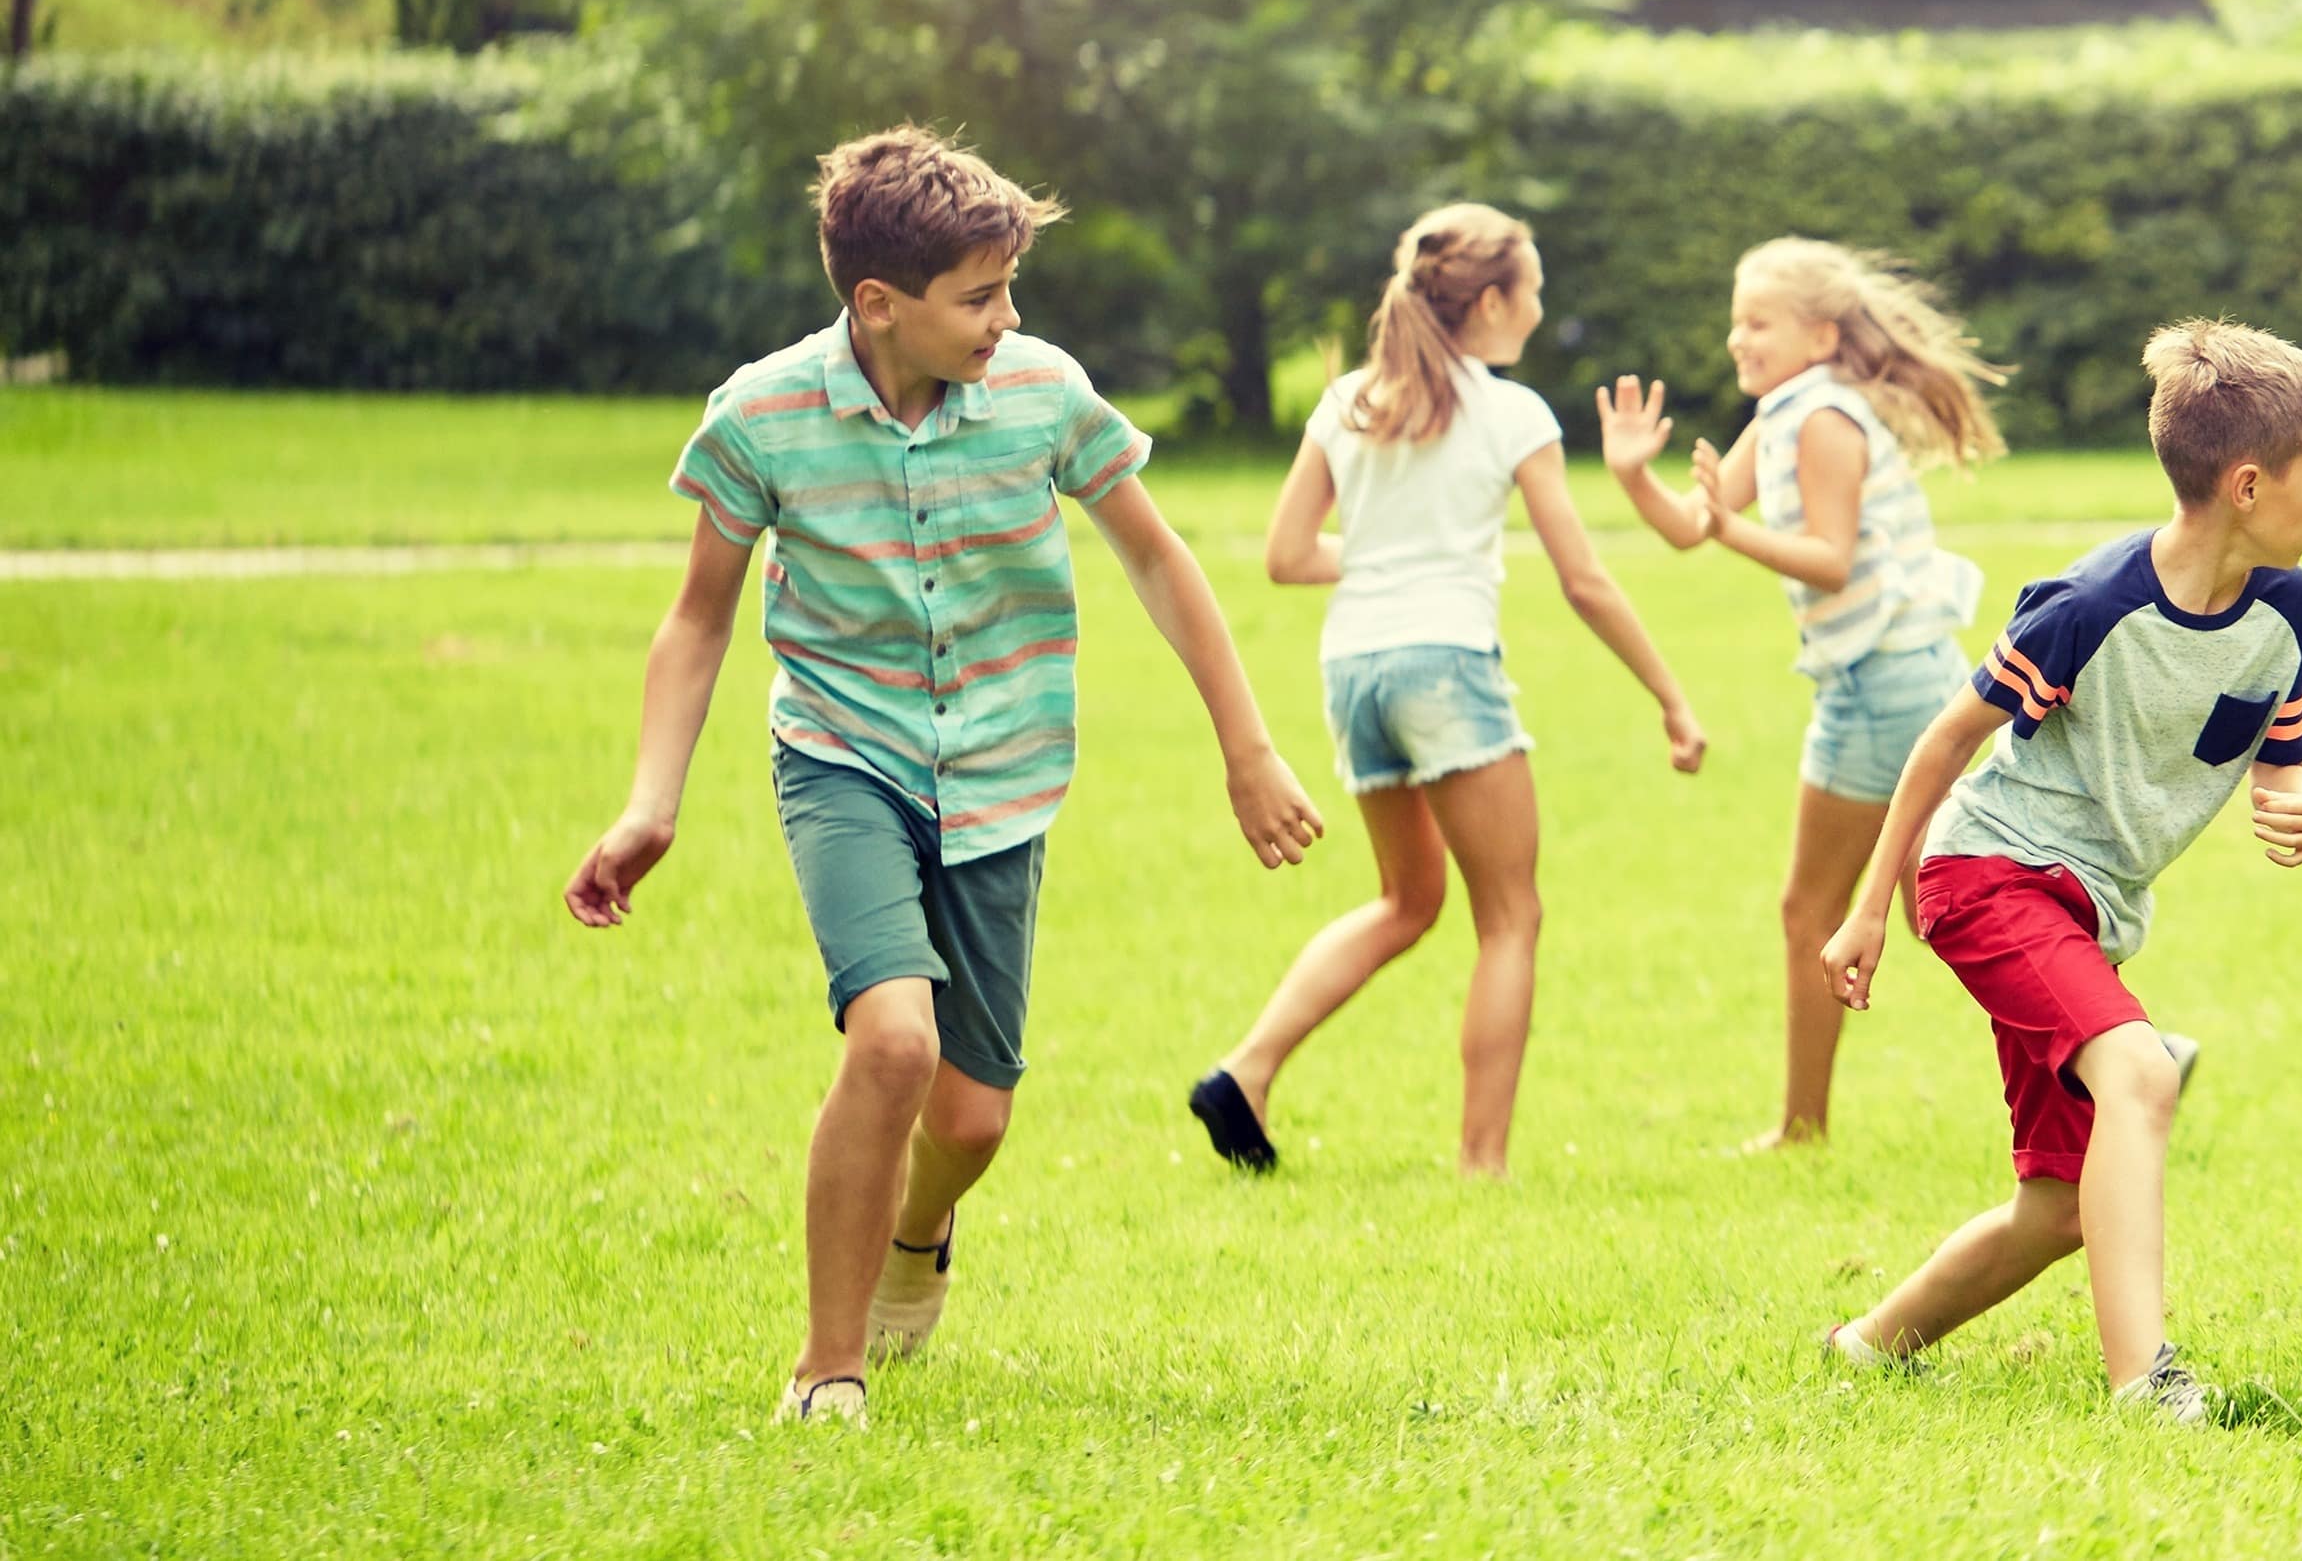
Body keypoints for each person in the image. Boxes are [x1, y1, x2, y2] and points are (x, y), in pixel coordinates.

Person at [561, 127, 1327, 1427]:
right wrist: (652, 797)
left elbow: (1156, 556)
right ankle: (827, 1361)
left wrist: (1246, 744)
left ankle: (921, 1234)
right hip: (843, 758)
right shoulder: (763, 414)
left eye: (1009, 289)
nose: (1006, 318)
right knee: (895, 1041)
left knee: (972, 1119)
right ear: (879, 302)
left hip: (1006, 769)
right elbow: (698, 617)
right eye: (978, 296)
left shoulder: (1039, 390)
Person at [1815, 321, 2302, 1424]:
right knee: (2140, 1076)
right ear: (2248, 483)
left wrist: (2291, 799)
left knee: (2059, 1203)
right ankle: (2144, 1384)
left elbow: (2277, 760)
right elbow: (1940, 743)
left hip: (2092, 910)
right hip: (1986, 875)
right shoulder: (2087, 607)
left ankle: (1867, 1345)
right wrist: (1866, 907)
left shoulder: (2283, 606)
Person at [1188, 205, 1704, 1181]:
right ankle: (1482, 1163)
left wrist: (1388, 553)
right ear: (1495, 301)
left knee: (1405, 898)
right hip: (1446, 664)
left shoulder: (1348, 397)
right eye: (1534, 292)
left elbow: (1287, 555)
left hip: (1355, 670)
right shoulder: (1510, 412)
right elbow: (1583, 576)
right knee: (1509, 915)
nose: (1540, 311)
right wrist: (1671, 695)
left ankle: (1244, 1071)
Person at [1592, 238, 2006, 1147]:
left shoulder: (1822, 420)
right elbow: (1692, 528)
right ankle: (2127, 1054)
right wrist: (1632, 475)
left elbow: (1829, 558)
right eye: (1735, 319)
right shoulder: (1784, 412)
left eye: (1758, 321)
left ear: (1820, 334)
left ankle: (1804, 1127)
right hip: (1890, 678)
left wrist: (1735, 531)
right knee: (1947, 906)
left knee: (1854, 909)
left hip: (1885, 686)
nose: (1738, 338)